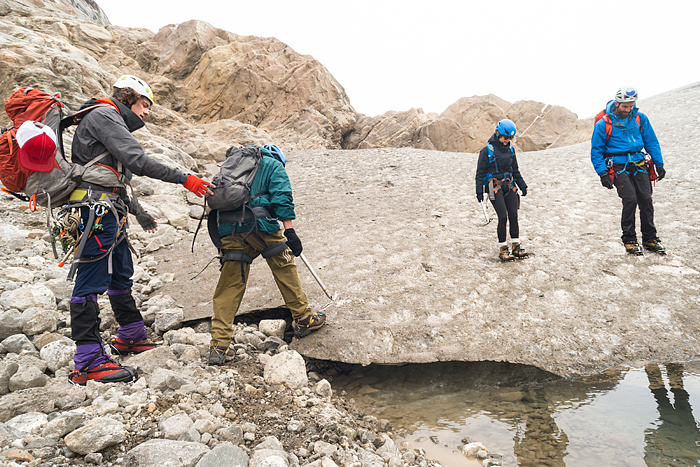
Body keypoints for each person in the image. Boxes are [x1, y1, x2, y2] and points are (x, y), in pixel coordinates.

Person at [67, 75, 213, 385]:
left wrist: (140, 213)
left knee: (121, 273)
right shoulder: (105, 115)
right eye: (144, 105)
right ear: (128, 97)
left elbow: (118, 179)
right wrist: (184, 178)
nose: (146, 113)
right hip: (96, 210)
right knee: (90, 281)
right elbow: (138, 160)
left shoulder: (110, 120)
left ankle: (131, 335)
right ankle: (88, 360)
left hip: (110, 210)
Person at [208, 144, 326, 365]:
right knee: (285, 267)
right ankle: (303, 318)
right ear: (278, 158)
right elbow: (282, 196)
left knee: (229, 286)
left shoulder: (231, 168)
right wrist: (290, 231)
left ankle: (218, 345)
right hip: (263, 226)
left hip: (230, 230)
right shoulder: (273, 166)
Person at [590, 86, 666, 255]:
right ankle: (630, 240)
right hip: (617, 165)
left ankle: (650, 239)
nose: (628, 109)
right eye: (625, 106)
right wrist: (602, 173)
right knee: (630, 199)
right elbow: (596, 151)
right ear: (617, 103)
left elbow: (651, 141)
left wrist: (659, 164)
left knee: (646, 198)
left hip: (639, 163)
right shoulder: (603, 124)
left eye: (631, 105)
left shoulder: (640, 118)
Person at [475, 119, 529, 262]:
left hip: (510, 186)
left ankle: (516, 247)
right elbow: (480, 173)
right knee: (503, 217)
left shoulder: (511, 150)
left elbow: (515, 170)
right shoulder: (486, 151)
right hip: (494, 188)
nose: (507, 141)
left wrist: (522, 185)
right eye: (506, 138)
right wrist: (479, 191)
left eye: (510, 138)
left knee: (513, 215)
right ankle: (503, 249)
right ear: (498, 134)